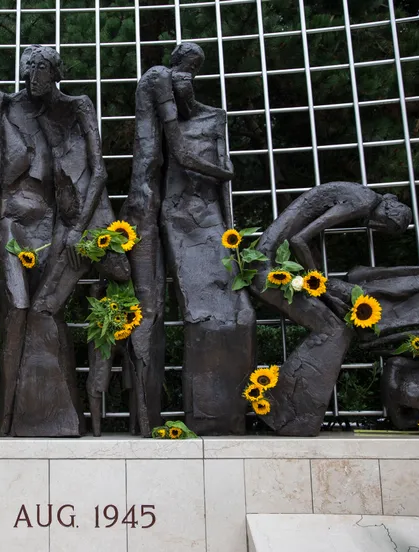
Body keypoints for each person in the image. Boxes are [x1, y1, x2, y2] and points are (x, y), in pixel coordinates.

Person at [0, 45, 128, 436]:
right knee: (38, 310)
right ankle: (47, 417)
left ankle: (56, 417)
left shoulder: (78, 106)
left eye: (39, 70)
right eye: (27, 71)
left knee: (44, 309)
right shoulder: (33, 112)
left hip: (90, 226)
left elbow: (99, 173)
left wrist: (77, 229)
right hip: (63, 223)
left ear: (55, 73)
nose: (32, 78)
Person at [121, 42, 236, 436]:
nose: (192, 81)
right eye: (191, 69)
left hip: (153, 205)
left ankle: (145, 419)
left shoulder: (165, 83)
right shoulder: (158, 79)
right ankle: (142, 420)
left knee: (148, 309)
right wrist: (225, 176)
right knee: (147, 311)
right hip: (144, 207)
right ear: (180, 65)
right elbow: (183, 153)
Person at [250, 182, 413, 436]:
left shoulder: (361, 197)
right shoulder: (363, 202)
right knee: (333, 330)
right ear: (388, 210)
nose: (377, 228)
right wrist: (322, 288)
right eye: (385, 225)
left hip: (268, 267)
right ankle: (285, 412)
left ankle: (286, 410)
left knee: (337, 324)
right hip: (265, 271)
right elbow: (299, 239)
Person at [159, 44, 256, 435]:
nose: (185, 78)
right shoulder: (164, 117)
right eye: (181, 70)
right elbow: (178, 161)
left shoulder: (216, 117)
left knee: (241, 311)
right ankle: (207, 413)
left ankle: (231, 411)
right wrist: (223, 173)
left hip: (210, 216)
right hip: (180, 215)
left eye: (193, 71)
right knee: (201, 314)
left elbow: (224, 178)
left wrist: (231, 236)